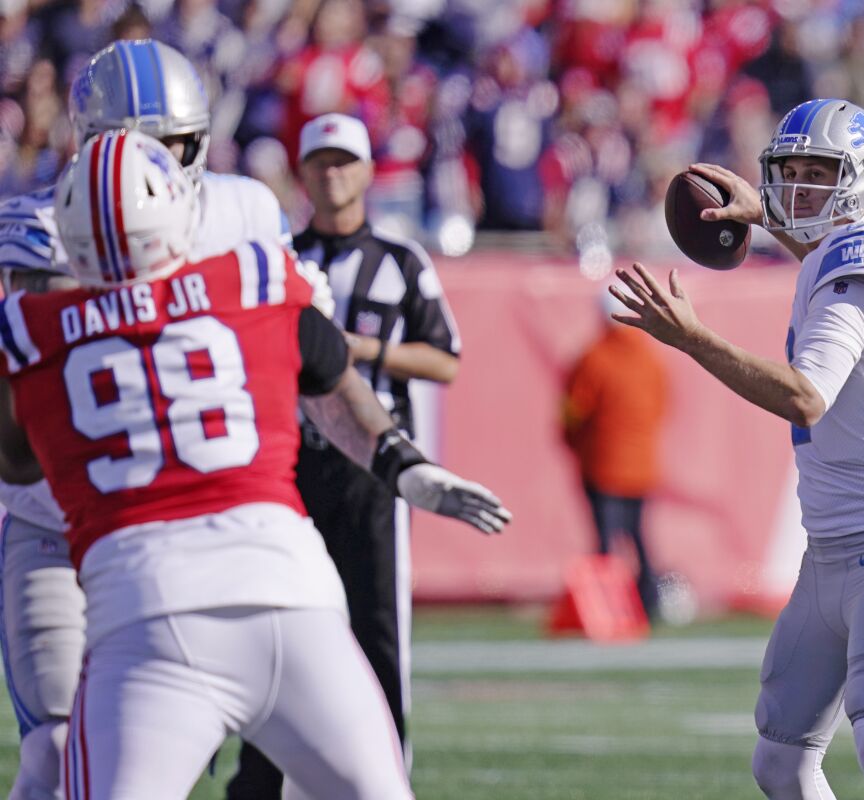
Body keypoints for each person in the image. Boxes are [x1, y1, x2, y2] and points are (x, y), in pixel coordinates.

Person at [0, 128, 509, 799]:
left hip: (149, 618)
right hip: (292, 598)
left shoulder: (32, 332)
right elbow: (331, 376)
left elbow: (19, 466)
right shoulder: (254, 276)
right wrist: (401, 463)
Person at [611, 99, 864, 800]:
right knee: (780, 764)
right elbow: (824, 255)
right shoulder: (831, 258)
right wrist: (771, 221)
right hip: (829, 553)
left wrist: (694, 339)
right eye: (793, 173)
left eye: (821, 174)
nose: (800, 189)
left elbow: (806, 395)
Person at [0, 38, 331, 799]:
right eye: (136, 144)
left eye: (176, 144)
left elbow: (306, 340)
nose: (157, 162)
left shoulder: (242, 210)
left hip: (187, 533)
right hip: (59, 526)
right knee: (56, 755)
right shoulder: (37, 228)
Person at [229, 111, 462, 796]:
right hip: (288, 466)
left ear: (366, 171)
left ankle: (386, 778)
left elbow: (445, 359)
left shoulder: (400, 261)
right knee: (272, 626)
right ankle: (259, 781)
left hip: (370, 474)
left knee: (377, 630)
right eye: (321, 164)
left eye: (344, 162)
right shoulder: (278, 258)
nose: (333, 175)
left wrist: (361, 353)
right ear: (302, 174)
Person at [562, 290, 668, 619]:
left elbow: (573, 412)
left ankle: (608, 609)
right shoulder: (650, 359)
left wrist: (575, 444)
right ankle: (649, 602)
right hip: (642, 466)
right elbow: (662, 405)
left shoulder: (593, 358)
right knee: (638, 537)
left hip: (603, 465)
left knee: (607, 543)